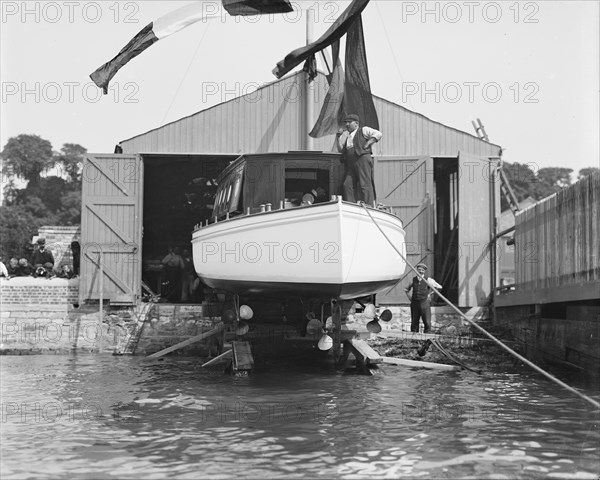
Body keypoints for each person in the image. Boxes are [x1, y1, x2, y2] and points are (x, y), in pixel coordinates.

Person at [335, 113, 382, 205]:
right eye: (346, 122)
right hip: (350, 163)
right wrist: (338, 138)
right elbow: (341, 149)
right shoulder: (348, 137)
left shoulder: (363, 130)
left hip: (362, 159)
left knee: (365, 183)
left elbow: (378, 134)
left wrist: (368, 144)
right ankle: (351, 205)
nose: (347, 124)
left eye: (349, 122)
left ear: (356, 123)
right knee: (347, 184)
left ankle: (369, 205)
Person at [405, 263, 442, 334]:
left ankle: (427, 338)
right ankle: (414, 339)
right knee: (414, 323)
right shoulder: (413, 280)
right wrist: (410, 298)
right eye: (419, 270)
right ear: (417, 270)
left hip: (424, 303)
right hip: (415, 304)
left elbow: (439, 287)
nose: (420, 271)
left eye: (422, 270)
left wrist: (430, 294)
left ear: (424, 271)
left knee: (427, 322)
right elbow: (406, 289)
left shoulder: (428, 280)